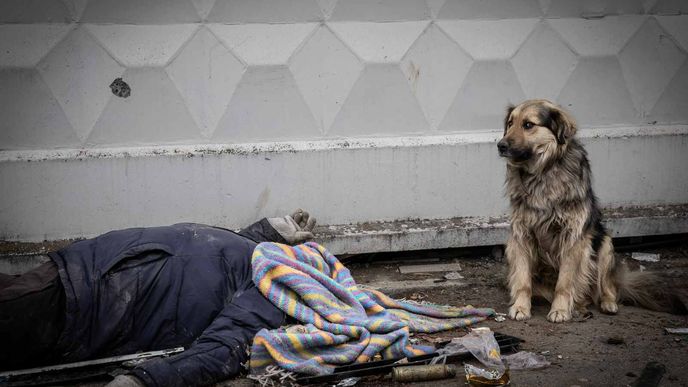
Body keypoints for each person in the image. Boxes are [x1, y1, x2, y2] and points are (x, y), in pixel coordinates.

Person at [0, 210, 316, 387]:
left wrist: (145, 380)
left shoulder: (270, 290)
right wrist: (266, 232)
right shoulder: (256, 254)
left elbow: (222, 350)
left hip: (84, 300)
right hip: (86, 285)